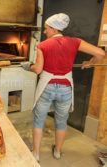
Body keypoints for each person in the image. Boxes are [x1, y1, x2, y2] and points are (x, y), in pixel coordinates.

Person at [21, 13, 106, 162]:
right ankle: (58, 152)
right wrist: (90, 63)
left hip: (47, 86)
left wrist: (29, 67)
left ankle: (35, 153)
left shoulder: (42, 45)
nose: (45, 31)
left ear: (54, 29)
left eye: (47, 28)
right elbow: (100, 53)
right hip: (66, 87)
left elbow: (38, 69)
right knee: (61, 121)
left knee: (38, 120)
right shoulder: (75, 42)